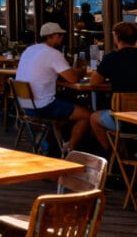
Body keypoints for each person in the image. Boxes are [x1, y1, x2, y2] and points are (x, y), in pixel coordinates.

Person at [15, 22, 91, 154]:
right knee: (87, 115)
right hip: (42, 106)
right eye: (60, 35)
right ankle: (68, 150)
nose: (62, 38)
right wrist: (84, 71)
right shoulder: (53, 53)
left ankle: (51, 139)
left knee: (67, 103)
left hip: (25, 105)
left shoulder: (29, 50)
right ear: (51, 36)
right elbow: (72, 78)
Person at [89, 21, 137, 152]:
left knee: (93, 117)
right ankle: (124, 151)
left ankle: (112, 155)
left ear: (116, 37)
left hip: (122, 121)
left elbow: (94, 82)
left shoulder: (111, 58)